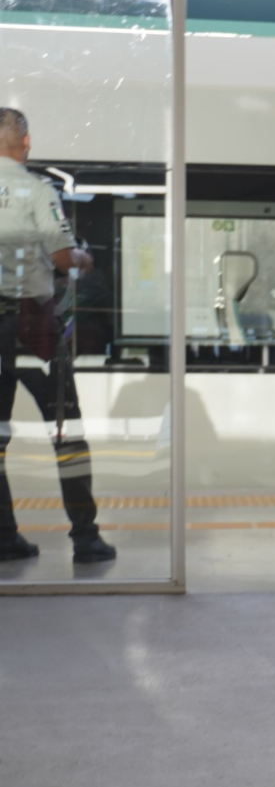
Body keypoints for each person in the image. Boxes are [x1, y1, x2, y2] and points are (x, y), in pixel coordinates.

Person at [0, 108, 115, 563]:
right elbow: (64, 258)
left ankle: (5, 538)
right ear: (25, 142)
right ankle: (85, 539)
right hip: (32, 326)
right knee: (67, 432)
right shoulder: (36, 190)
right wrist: (84, 258)